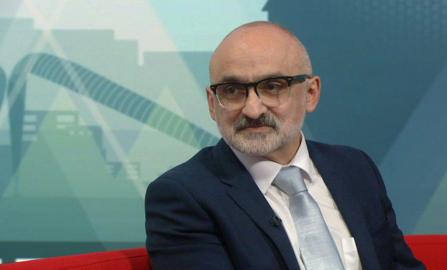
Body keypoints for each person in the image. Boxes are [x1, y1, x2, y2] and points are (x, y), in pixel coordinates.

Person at [145, 21, 425, 270]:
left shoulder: (354, 168)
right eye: (232, 91)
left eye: (273, 86)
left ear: (311, 93)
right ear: (211, 103)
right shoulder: (184, 195)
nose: (253, 109)